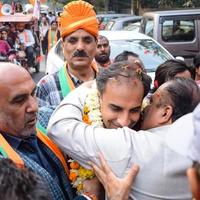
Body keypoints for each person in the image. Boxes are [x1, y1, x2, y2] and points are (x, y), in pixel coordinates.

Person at [48, 73, 200, 199]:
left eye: (151, 102)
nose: (144, 108)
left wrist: (87, 88)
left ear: (165, 113)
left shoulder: (134, 146)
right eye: (115, 108)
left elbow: (59, 127)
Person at [0, 62, 89, 200]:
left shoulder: (46, 119)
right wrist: (88, 197)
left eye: (33, 93)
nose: (34, 107)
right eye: (19, 100)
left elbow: (83, 104)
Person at [36, 0, 99, 129]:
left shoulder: (109, 81)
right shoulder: (46, 86)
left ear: (96, 45)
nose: (80, 47)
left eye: (87, 40)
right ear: (63, 45)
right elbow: (39, 135)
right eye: (73, 41)